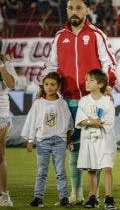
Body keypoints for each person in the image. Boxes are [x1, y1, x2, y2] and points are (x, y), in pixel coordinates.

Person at [42, 0, 117, 205]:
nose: (74, 12)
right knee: (73, 147)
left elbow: (109, 63)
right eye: (70, 8)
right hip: (67, 101)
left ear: (86, 10)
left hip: (92, 101)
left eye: (78, 8)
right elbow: (50, 67)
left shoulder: (96, 35)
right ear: (66, 11)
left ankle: (94, 195)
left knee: (95, 147)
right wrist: (46, 88)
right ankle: (77, 194)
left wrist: (108, 83)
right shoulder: (59, 37)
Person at [20, 72, 73, 208]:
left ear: (58, 86)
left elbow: (68, 122)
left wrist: (68, 140)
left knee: (60, 171)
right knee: (41, 171)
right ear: (43, 86)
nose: (49, 87)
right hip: (43, 141)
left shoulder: (62, 103)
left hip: (59, 141)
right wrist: (31, 140)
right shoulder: (38, 103)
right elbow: (32, 121)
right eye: (46, 84)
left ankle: (64, 198)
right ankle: (38, 198)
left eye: (52, 85)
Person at [75, 69, 116, 210]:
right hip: (88, 140)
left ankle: (109, 198)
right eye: (86, 80)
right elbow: (80, 120)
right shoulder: (83, 100)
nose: (87, 82)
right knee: (91, 170)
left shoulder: (107, 101)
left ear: (100, 84)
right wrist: (91, 122)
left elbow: (108, 121)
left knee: (106, 168)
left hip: (104, 140)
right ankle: (93, 198)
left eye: (91, 80)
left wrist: (93, 121)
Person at [0, 39, 16, 207]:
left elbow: (11, 84)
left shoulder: (6, 63)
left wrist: (2, 64)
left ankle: (3, 194)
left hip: (1, 114)